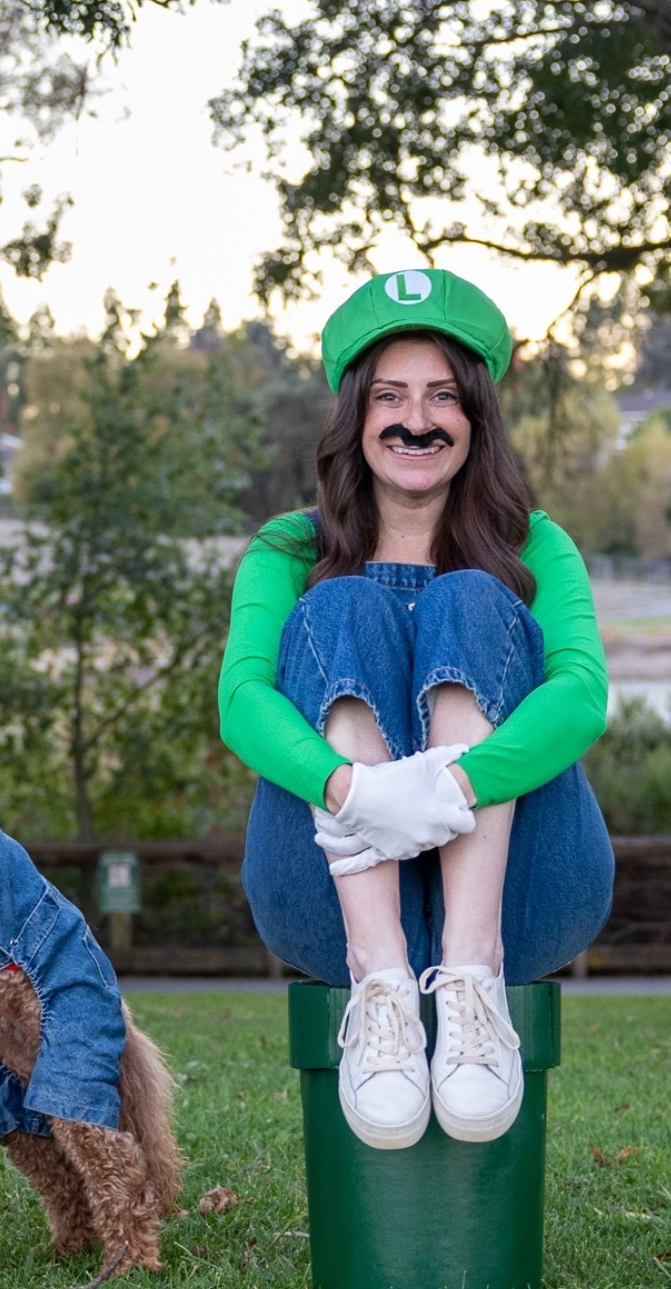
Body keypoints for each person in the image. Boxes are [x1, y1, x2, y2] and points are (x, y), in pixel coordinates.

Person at [218, 268, 613, 1152]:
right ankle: (381, 986)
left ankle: (473, 975)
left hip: (526, 893)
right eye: (389, 396)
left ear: (475, 417)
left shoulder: (533, 544)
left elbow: (581, 696)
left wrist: (451, 789)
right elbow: (240, 703)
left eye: (442, 396)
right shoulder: (289, 548)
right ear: (354, 416)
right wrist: (353, 792)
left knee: (470, 597)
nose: (415, 420)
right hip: (325, 900)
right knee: (341, 606)